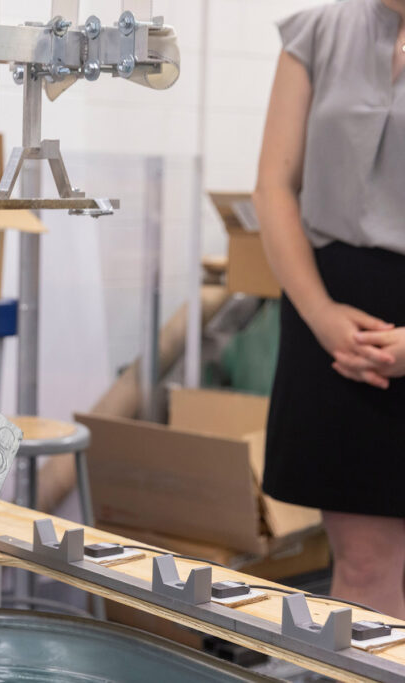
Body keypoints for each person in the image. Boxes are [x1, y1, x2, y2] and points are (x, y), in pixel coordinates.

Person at [255, 0, 405, 618]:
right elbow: (273, 186)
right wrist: (320, 315)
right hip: (334, 317)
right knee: (365, 567)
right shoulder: (318, 31)